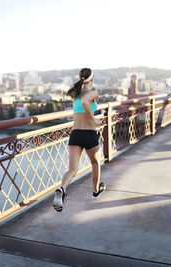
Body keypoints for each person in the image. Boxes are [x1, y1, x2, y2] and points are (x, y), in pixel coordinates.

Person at [53, 68, 106, 212]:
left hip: (75, 134)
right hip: (89, 134)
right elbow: (85, 102)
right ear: (92, 79)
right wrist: (94, 119)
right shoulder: (93, 93)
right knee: (95, 163)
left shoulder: (75, 94)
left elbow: (82, 102)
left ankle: (62, 189)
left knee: (72, 169)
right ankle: (96, 191)